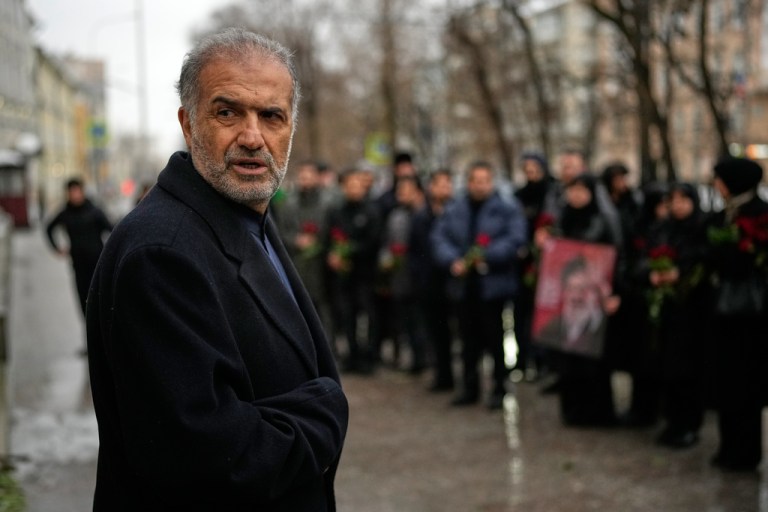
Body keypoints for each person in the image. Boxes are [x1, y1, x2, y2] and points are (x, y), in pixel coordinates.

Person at [86, 29, 349, 511]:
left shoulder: (244, 213)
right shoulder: (161, 254)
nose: (252, 137)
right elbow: (206, 459)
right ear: (188, 124)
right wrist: (325, 414)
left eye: (272, 116)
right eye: (227, 112)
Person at [431, 161, 527, 410]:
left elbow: (515, 239)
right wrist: (453, 260)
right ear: (469, 182)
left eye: (486, 180)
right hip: (464, 286)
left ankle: (499, 387)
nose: (481, 186)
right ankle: (470, 387)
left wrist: (487, 256)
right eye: (476, 181)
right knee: (467, 340)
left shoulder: (506, 208)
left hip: (493, 285)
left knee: (496, 339)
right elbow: (439, 237)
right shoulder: (456, 208)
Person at [535, 174, 621, 427]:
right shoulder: (561, 220)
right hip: (568, 300)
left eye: (583, 191)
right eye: (573, 191)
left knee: (594, 358)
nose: (577, 196)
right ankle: (574, 410)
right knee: (569, 358)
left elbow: (616, 255)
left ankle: (600, 412)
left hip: (595, 298)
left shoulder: (604, 220)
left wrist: (613, 291)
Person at [707, 157, 768, 472]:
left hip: (750, 315)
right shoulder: (722, 216)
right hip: (722, 312)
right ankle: (728, 445)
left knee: (747, 385)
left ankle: (747, 451)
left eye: (719, 179)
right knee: (726, 383)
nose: (716, 186)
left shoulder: (760, 215)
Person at [643, 183, 710, 448]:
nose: (679, 205)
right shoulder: (662, 229)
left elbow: (705, 260)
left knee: (689, 371)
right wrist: (654, 274)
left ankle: (690, 424)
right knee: (668, 368)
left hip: (693, 314)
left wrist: (680, 273)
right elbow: (645, 256)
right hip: (667, 313)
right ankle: (672, 421)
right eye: (674, 200)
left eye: (684, 200)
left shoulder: (701, 229)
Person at [324, 167, 382, 374]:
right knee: (347, 316)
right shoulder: (336, 211)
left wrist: (349, 251)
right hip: (343, 276)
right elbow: (329, 238)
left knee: (367, 317)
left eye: (358, 185)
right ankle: (352, 355)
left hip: (365, 275)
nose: (354, 189)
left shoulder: (372, 211)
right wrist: (333, 255)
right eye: (350, 185)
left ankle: (369, 356)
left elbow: (373, 242)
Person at [410, 169, 456, 391]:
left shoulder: (459, 213)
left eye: (447, 185)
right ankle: (442, 375)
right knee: (437, 334)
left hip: (454, 282)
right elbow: (415, 251)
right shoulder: (421, 216)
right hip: (430, 284)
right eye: (439, 185)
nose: (443, 189)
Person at [45, 178, 112, 319]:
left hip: (97, 264)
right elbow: (49, 228)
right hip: (79, 265)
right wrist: (57, 248)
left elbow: (112, 230)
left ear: (82, 191)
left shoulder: (94, 211)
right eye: (71, 192)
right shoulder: (65, 213)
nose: (75, 195)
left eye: (77, 191)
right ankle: (89, 338)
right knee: (84, 304)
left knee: (101, 303)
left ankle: (103, 338)